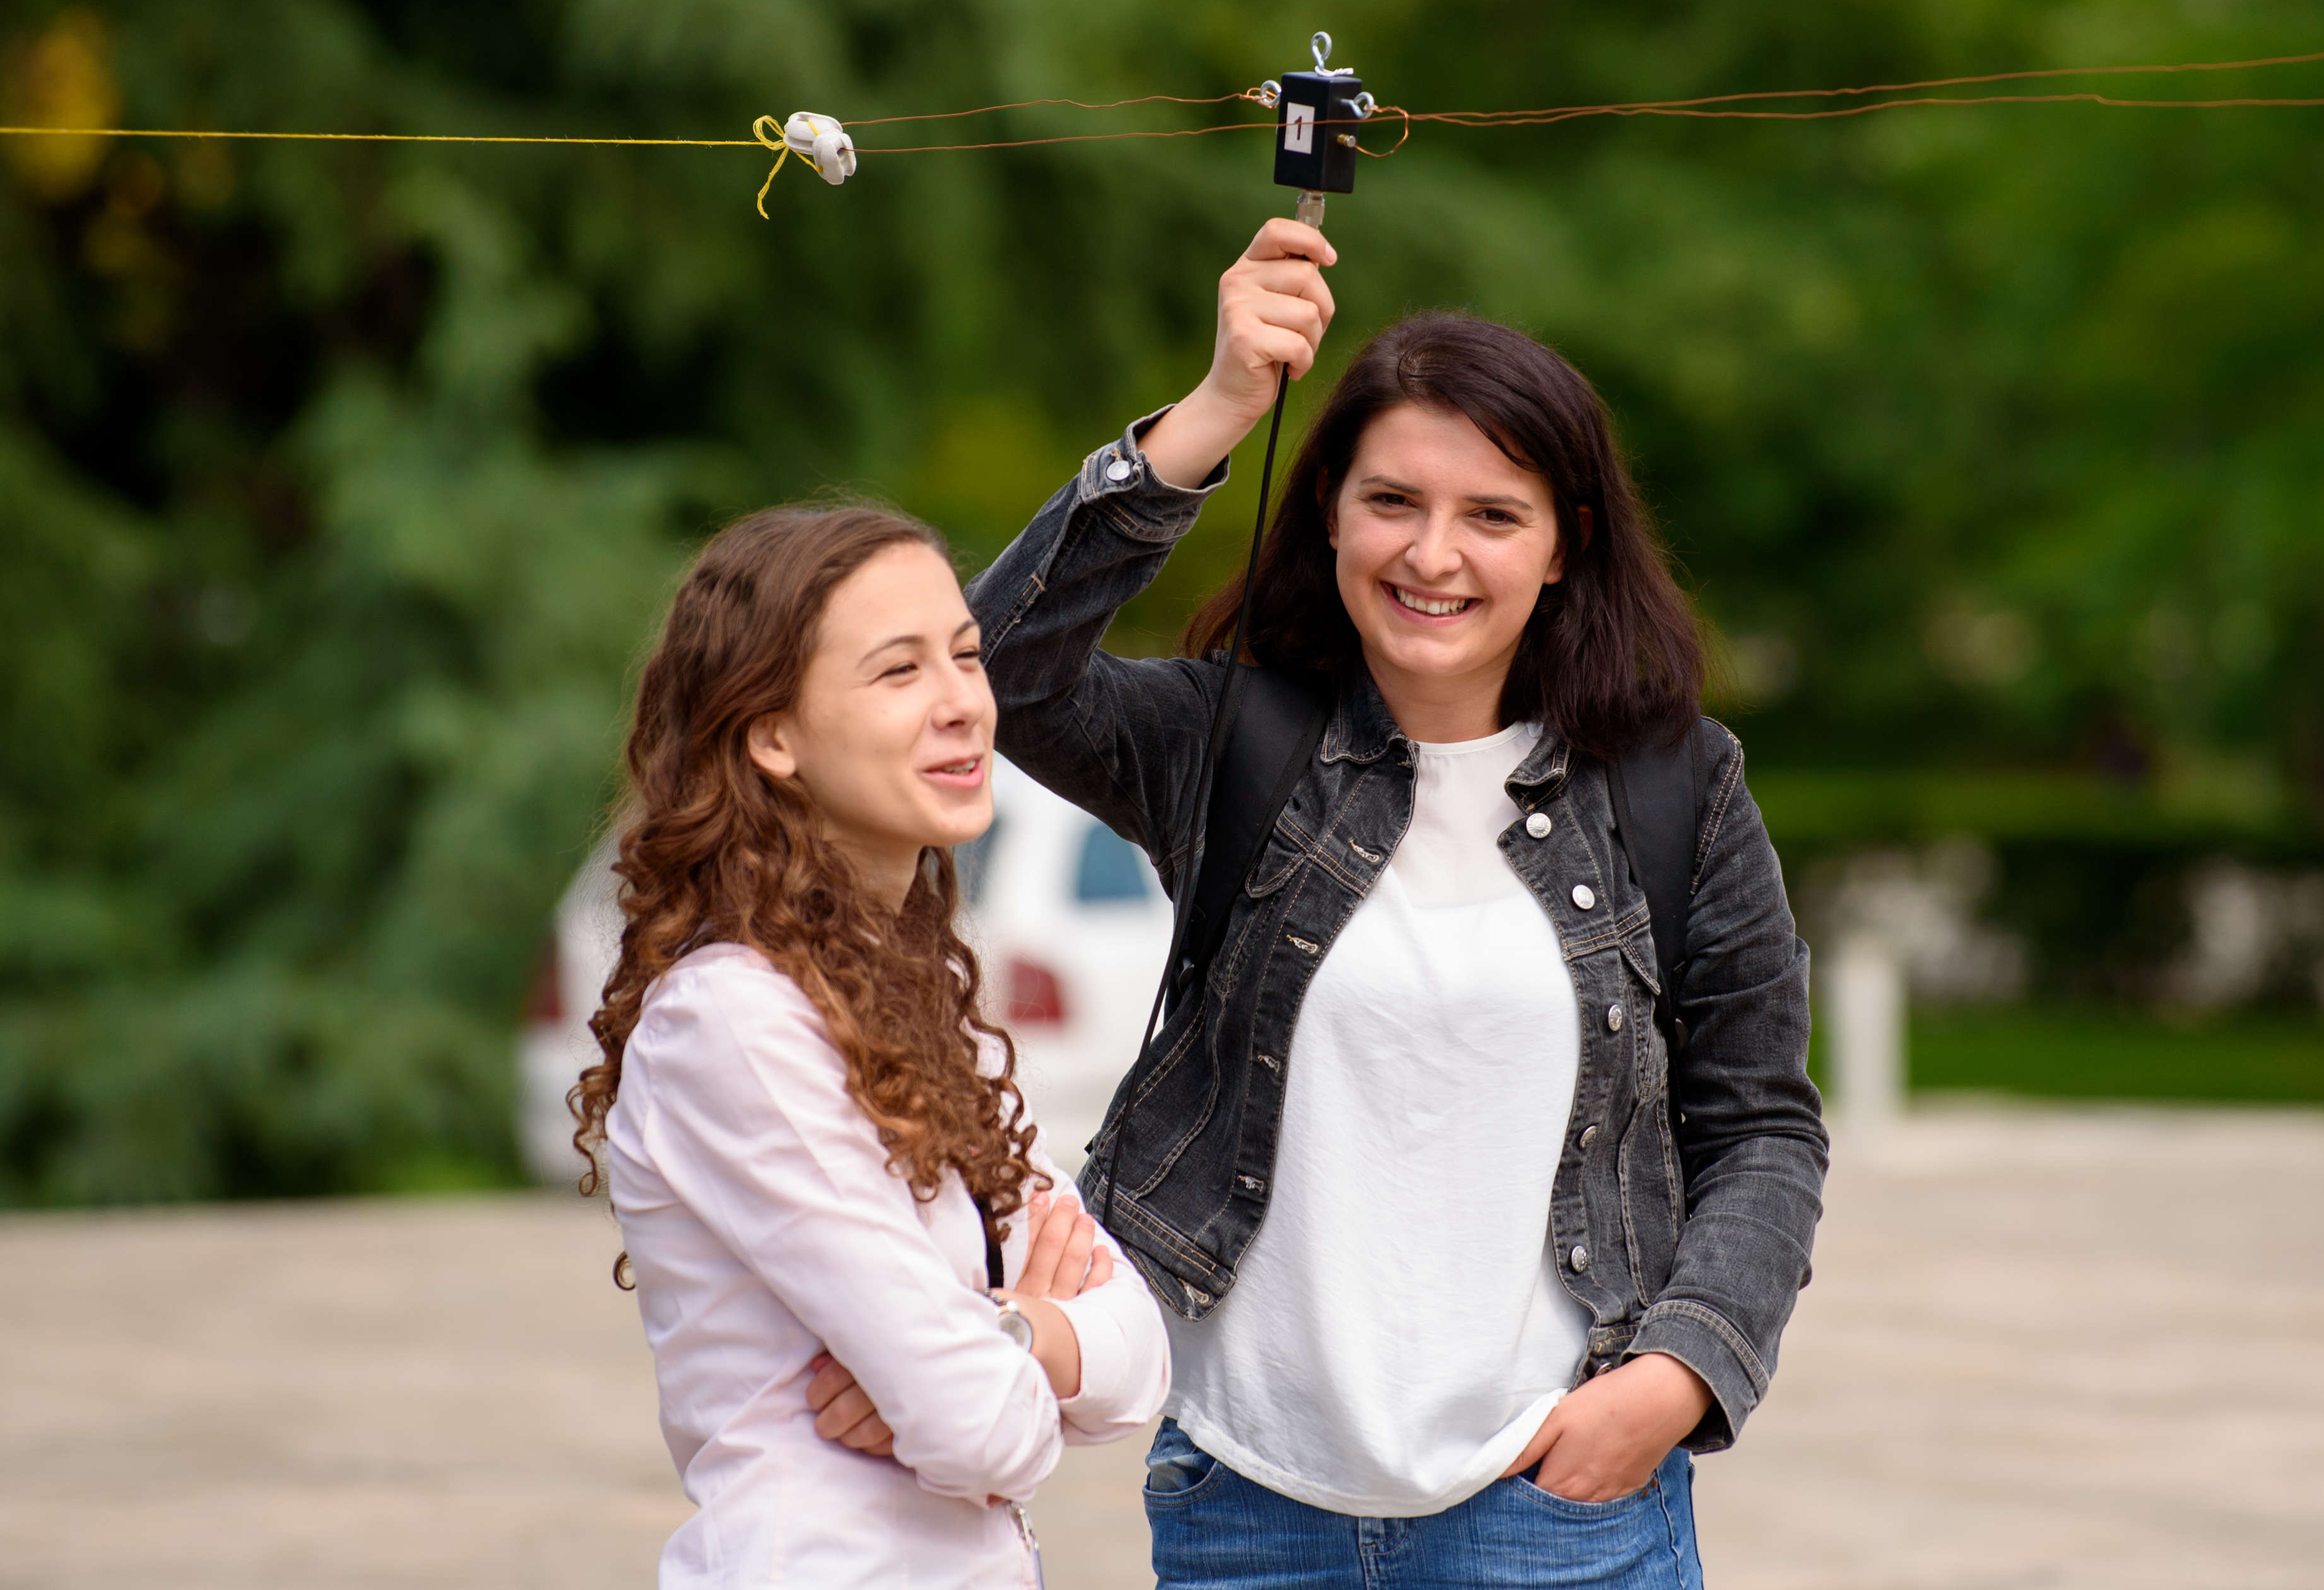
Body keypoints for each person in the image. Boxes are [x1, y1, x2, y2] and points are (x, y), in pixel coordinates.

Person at [964, 220, 1829, 1588]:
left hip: (1560, 1509)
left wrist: (1676, 1375)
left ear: (1564, 547)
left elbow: (1764, 1124)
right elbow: (996, 673)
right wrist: (1219, 407)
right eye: (1392, 502)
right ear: (1328, 514)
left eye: (1494, 513)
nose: (1435, 554)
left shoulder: (1678, 786)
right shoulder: (1230, 740)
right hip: (1249, 1502)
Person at [568, 506, 1171, 1589]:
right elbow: (986, 1432)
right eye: (898, 673)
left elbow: (1140, 1354)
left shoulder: (906, 995)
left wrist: (1011, 1333)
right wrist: (1018, 1355)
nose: (962, 704)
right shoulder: (735, 1022)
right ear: (772, 734)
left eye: (968, 657)